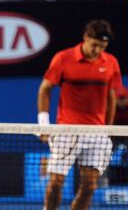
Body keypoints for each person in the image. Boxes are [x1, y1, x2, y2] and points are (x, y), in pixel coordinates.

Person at [37, 19, 122, 210]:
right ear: (86, 37)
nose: (98, 50)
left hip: (97, 134)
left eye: (103, 46)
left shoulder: (111, 63)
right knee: (56, 183)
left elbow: (111, 98)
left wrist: (108, 130)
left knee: (90, 186)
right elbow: (44, 89)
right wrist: (43, 124)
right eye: (94, 45)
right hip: (67, 131)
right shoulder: (63, 58)